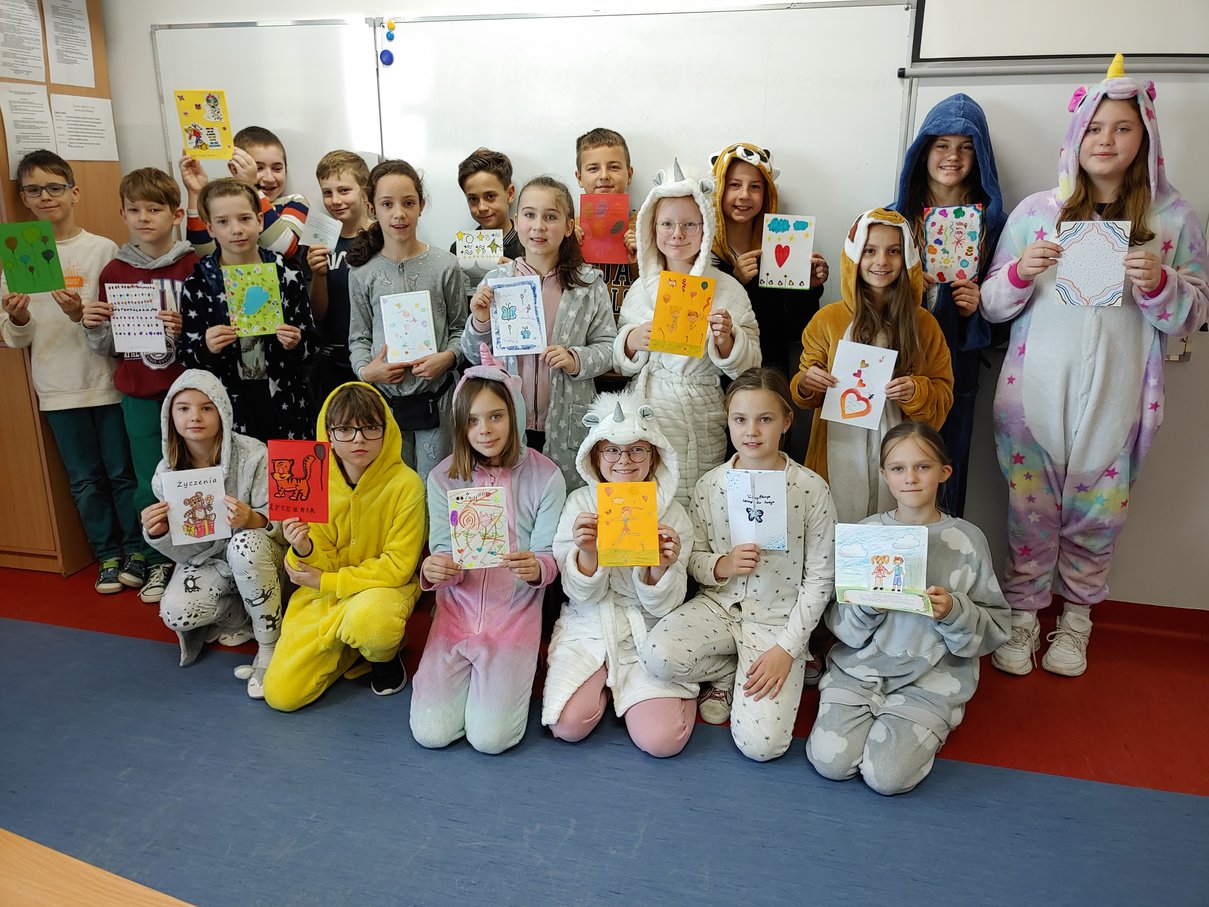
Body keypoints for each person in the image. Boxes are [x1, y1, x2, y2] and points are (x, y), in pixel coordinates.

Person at [982, 55, 1209, 677]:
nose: (1105, 140)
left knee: (1099, 515)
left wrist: (1160, 283)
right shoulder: (1037, 212)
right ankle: (1024, 614)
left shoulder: (1172, 220)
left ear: (1146, 137)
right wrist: (1021, 272)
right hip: (1032, 394)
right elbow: (993, 305)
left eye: (1122, 128)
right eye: (1094, 127)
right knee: (1029, 512)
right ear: (1074, 135)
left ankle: (1077, 619)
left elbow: (1192, 316)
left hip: (1120, 396)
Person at [640, 368, 836, 761]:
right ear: (727, 421)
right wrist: (722, 565)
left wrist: (787, 649)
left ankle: (755, 669)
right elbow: (693, 559)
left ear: (786, 422)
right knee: (656, 656)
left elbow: (821, 579)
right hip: (718, 607)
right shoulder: (710, 485)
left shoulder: (810, 489)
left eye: (765, 419)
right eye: (740, 419)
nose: (752, 431)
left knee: (762, 747)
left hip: (776, 622)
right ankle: (726, 672)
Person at [805, 421, 1009, 795]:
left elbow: (996, 625)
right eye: (898, 468)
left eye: (923, 466)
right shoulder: (866, 534)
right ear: (884, 474)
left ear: (944, 472)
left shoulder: (967, 540)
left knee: (887, 779)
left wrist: (954, 611)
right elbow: (839, 620)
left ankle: (921, 723)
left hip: (930, 681)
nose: (910, 478)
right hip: (860, 671)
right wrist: (868, 608)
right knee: (830, 763)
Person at [410, 353, 566, 754]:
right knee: (431, 732)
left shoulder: (546, 476)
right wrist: (435, 568)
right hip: (455, 615)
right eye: (472, 420)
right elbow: (441, 549)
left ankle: (502, 681)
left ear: (515, 414)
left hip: (513, 619)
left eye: (496, 416)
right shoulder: (443, 477)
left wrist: (538, 567)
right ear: (460, 425)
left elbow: (551, 554)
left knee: (491, 739)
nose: (485, 430)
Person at [1, 149, 140, 596]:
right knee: (84, 481)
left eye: (54, 187)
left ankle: (137, 551)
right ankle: (107, 555)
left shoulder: (102, 249)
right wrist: (18, 317)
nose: (45, 197)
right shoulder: (15, 253)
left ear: (74, 192)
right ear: (24, 198)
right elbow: (15, 339)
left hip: (106, 381)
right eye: (34, 190)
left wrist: (83, 315)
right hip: (56, 387)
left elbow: (120, 323)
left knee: (123, 473)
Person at [543, 391, 696, 757]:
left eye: (637, 450)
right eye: (611, 450)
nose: (624, 460)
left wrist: (661, 568)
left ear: (654, 454)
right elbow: (577, 593)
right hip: (591, 621)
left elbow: (666, 607)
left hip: (646, 626)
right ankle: (604, 680)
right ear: (594, 456)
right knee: (567, 726)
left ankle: (641, 691)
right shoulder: (580, 505)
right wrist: (587, 553)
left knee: (662, 742)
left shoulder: (674, 515)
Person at [263, 382, 426, 711]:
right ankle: (352, 648)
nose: (358, 439)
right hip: (322, 594)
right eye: (346, 430)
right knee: (281, 696)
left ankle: (382, 656)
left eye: (370, 428)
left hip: (382, 590)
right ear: (329, 434)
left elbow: (398, 566)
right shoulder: (311, 480)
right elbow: (308, 568)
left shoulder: (407, 484)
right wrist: (303, 547)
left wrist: (327, 580)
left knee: (371, 623)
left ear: (386, 430)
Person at [613, 160, 761, 507]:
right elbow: (619, 360)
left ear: (706, 228)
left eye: (689, 224)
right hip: (649, 403)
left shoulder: (728, 289)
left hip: (700, 407)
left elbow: (752, 364)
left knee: (701, 497)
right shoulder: (641, 288)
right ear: (652, 228)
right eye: (666, 224)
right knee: (650, 494)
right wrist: (631, 342)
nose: (677, 234)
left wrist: (728, 341)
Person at [83, 167, 200, 603]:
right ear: (123, 215)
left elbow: (212, 332)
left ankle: (199, 557)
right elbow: (107, 346)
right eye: (135, 210)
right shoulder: (114, 271)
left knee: (197, 475)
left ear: (176, 214)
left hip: (190, 391)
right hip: (139, 393)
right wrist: (94, 325)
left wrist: (187, 328)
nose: (144, 218)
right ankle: (156, 560)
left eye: (154, 209)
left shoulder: (194, 265)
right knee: (150, 481)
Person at [791, 208, 953, 523]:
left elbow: (942, 397)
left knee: (891, 533)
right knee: (832, 531)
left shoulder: (924, 325)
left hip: (901, 453)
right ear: (854, 256)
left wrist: (916, 391)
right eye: (870, 251)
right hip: (835, 451)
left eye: (893, 251)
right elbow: (803, 388)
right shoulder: (828, 321)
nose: (881, 261)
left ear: (907, 258)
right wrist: (808, 383)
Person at [891, 94, 1006, 516]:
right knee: (892, 468)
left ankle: (945, 552)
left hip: (957, 370)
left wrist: (980, 307)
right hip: (894, 368)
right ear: (923, 151)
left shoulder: (996, 226)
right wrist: (904, 289)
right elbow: (860, 297)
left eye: (966, 147)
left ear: (981, 155)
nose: (953, 156)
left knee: (943, 472)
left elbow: (1014, 311)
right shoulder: (892, 220)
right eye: (941, 144)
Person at [463, 176, 616, 491]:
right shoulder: (496, 281)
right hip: (507, 418)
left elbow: (608, 347)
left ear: (569, 226)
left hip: (566, 420)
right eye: (530, 215)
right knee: (514, 498)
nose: (539, 226)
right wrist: (480, 320)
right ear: (516, 220)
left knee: (563, 499)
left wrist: (575, 359)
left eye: (551, 217)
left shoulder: (589, 285)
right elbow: (472, 354)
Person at [141, 370, 285, 698]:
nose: (195, 417)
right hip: (208, 562)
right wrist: (160, 533)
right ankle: (238, 614)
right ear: (169, 415)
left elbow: (285, 525)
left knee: (245, 544)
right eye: (183, 408)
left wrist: (254, 519)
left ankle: (269, 645)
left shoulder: (255, 455)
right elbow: (187, 554)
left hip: (260, 557)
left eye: (207, 407)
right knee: (177, 613)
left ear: (223, 411)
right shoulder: (165, 473)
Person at [347, 159, 467, 482]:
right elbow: (358, 336)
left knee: (437, 484)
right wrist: (366, 371)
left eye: (408, 203)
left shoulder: (445, 265)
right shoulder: (362, 273)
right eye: (387, 204)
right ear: (372, 208)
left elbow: (461, 329)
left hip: (437, 400)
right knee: (393, 487)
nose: (399, 214)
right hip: (384, 404)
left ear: (421, 206)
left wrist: (448, 358)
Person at [178, 178, 318, 442]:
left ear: (260, 221)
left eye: (244, 219)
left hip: (285, 401)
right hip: (228, 405)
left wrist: (296, 342)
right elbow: (186, 355)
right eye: (223, 222)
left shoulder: (287, 274)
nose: (236, 230)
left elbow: (311, 346)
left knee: (287, 467)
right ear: (210, 228)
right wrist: (207, 346)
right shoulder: (198, 283)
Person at [709, 142, 828, 378]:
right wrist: (735, 281)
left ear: (767, 194)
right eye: (734, 185)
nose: (744, 195)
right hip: (717, 381)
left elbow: (795, 332)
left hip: (769, 378)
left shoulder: (783, 246)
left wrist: (808, 289)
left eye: (755, 186)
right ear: (718, 188)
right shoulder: (700, 251)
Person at [180, 125, 309, 258]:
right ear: (234, 169)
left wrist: (251, 186)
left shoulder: (295, 202)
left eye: (277, 169)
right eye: (258, 168)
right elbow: (202, 256)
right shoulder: (221, 208)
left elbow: (286, 249)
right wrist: (195, 193)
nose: (269, 178)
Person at [306, 150, 375, 400]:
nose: (335, 200)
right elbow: (318, 313)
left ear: (365, 191)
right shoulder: (320, 241)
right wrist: (318, 275)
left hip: (375, 358)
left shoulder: (382, 237)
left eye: (344, 190)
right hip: (333, 361)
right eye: (327, 192)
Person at [574, 127, 639, 317]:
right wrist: (566, 250)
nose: (604, 175)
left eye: (614, 167)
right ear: (579, 177)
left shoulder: (645, 225)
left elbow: (656, 287)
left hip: (631, 325)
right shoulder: (569, 227)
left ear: (629, 174)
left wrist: (638, 257)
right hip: (585, 328)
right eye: (593, 168)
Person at [450, 147, 523, 298]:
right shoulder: (458, 250)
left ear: (510, 194)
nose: (482, 207)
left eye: (490, 196)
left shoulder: (529, 245)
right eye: (473, 199)